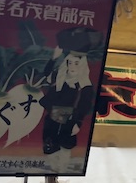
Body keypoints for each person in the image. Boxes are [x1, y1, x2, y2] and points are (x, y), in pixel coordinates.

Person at [39, 27, 103, 155]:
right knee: (50, 139)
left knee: (65, 144)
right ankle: (51, 145)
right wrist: (53, 59)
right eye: (70, 63)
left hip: (68, 118)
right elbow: (47, 75)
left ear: (82, 66)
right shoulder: (60, 77)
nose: (72, 66)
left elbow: (84, 104)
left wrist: (78, 122)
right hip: (53, 115)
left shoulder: (84, 85)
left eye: (76, 63)